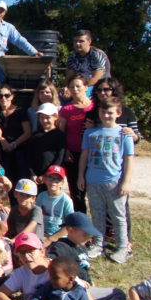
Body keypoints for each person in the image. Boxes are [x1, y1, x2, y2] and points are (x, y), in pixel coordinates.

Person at [48, 212, 136, 300]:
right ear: (70, 230)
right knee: (117, 293)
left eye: (89, 235)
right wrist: (77, 281)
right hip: (72, 291)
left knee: (116, 293)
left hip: (87, 290)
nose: (88, 238)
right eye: (84, 234)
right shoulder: (61, 247)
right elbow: (52, 264)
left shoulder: (82, 247)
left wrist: (89, 280)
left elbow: (84, 268)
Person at [79, 96, 135, 263]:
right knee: (97, 214)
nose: (106, 115)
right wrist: (81, 176)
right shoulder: (90, 133)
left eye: (110, 112)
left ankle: (122, 247)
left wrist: (126, 181)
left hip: (114, 182)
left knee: (118, 215)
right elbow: (84, 156)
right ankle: (98, 244)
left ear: (118, 113)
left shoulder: (124, 135)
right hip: (93, 180)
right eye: (103, 112)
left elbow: (129, 159)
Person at [59, 75, 94, 212]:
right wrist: (65, 150)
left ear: (86, 87)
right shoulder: (66, 110)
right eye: (72, 86)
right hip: (73, 154)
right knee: (77, 193)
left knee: (94, 191)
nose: (75, 89)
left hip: (93, 154)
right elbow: (61, 133)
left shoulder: (94, 107)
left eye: (78, 86)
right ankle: (81, 224)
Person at [0, 84, 32, 185]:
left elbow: (27, 133)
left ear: (12, 96)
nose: (3, 98)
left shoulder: (20, 111)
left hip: (20, 152)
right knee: (4, 179)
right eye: (0, 95)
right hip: (2, 153)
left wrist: (13, 144)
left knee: (22, 181)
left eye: (6, 95)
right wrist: (3, 140)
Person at [37, 165, 74, 245]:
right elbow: (36, 218)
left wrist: (50, 239)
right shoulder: (41, 196)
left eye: (57, 179)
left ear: (62, 182)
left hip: (60, 238)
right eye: (50, 177)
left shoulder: (66, 200)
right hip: (41, 235)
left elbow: (69, 225)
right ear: (45, 179)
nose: (53, 181)